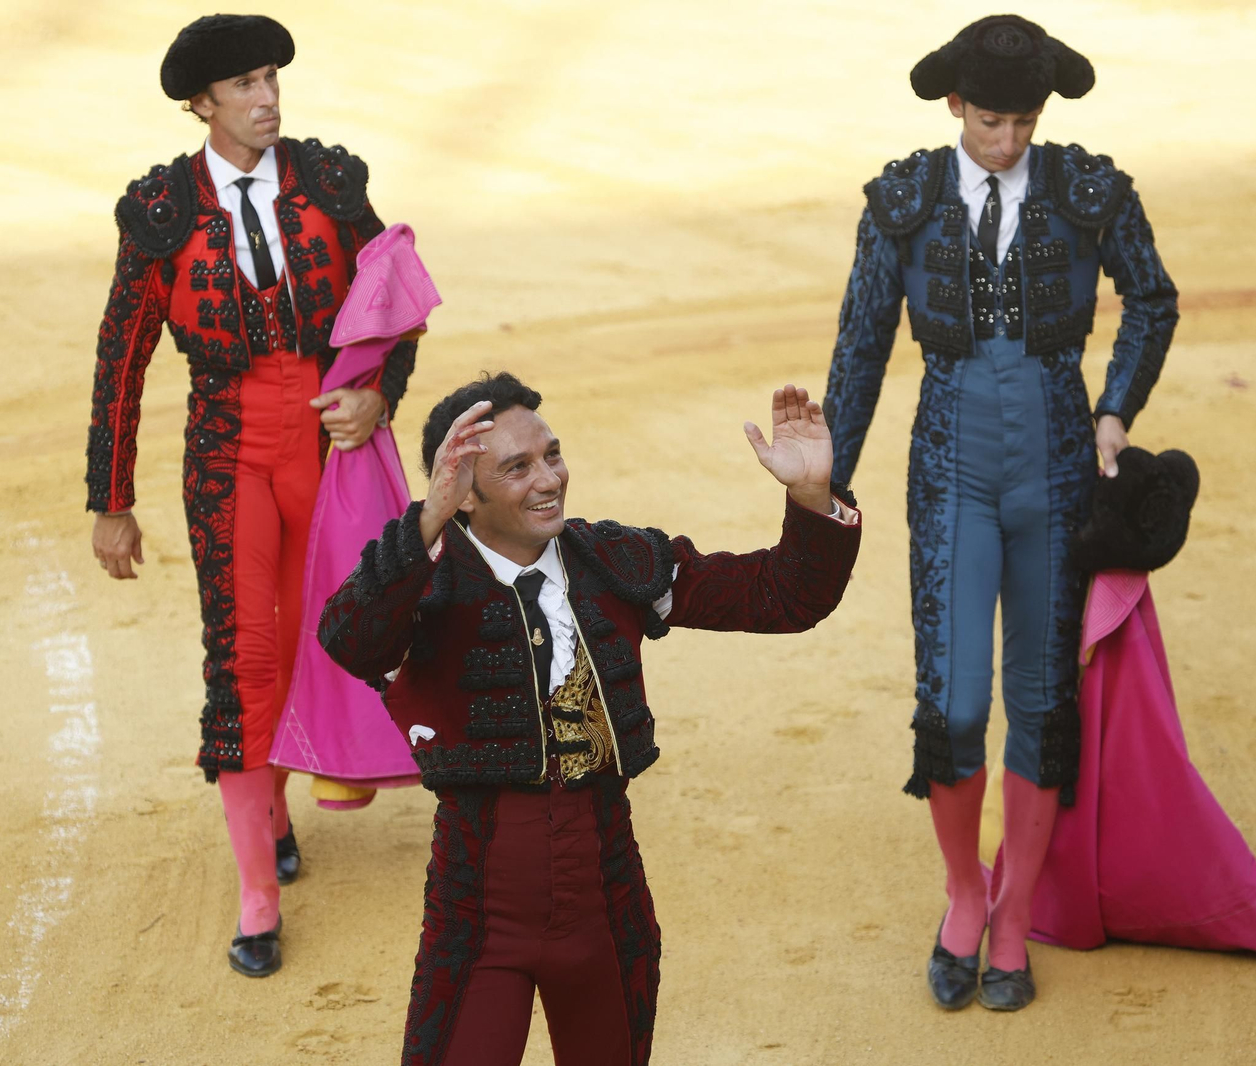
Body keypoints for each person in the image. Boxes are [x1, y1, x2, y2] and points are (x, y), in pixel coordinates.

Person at [318, 374, 861, 1065]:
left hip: (608, 903)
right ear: (464, 493)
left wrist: (811, 495)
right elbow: (350, 640)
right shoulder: (425, 583)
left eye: (552, 454)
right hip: (477, 920)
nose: (548, 478)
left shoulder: (611, 561)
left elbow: (784, 597)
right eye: (516, 467)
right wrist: (425, 521)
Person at [821, 14, 1179, 1011]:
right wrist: (827, 480)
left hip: (1060, 466)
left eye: (1023, 122)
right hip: (950, 466)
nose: (1008, 142)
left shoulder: (1090, 189)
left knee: (1037, 700)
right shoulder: (903, 198)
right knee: (954, 703)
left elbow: (1152, 299)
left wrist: (1113, 412)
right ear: (953, 106)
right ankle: (959, 895)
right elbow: (861, 343)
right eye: (989, 121)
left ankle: (1014, 913)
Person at [84, 13, 421, 977]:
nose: (268, 98)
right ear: (202, 104)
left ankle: (282, 805)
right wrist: (111, 498)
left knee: (329, 625)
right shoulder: (160, 211)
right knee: (245, 659)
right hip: (226, 452)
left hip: (325, 446)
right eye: (245, 86)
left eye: (271, 78)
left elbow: (391, 306)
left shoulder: (328, 183)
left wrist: (372, 392)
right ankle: (258, 892)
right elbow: (122, 356)